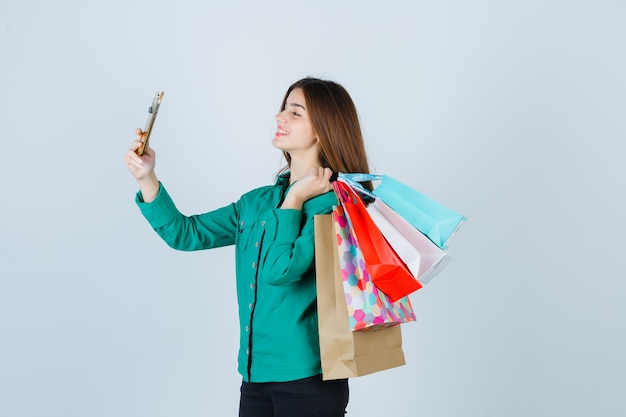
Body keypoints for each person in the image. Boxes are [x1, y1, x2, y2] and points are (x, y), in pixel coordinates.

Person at [124, 77, 371, 417]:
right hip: (253, 378)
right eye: (283, 108)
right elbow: (185, 233)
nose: (280, 117)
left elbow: (280, 269)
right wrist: (146, 177)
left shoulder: (332, 207)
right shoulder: (256, 203)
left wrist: (296, 198)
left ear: (322, 130)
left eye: (295, 112)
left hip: (309, 380)